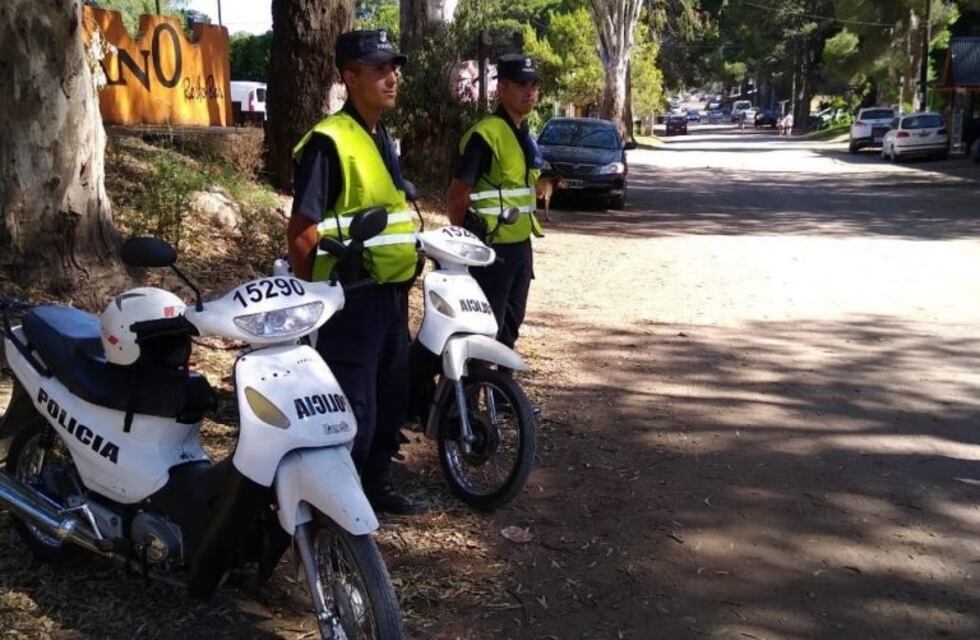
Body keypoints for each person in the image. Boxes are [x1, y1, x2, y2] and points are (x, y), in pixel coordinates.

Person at [286, 29, 423, 515]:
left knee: (391, 394)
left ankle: (377, 486)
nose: (393, 78)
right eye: (380, 70)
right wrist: (309, 303)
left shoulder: (380, 134)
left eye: (394, 68)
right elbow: (302, 230)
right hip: (349, 298)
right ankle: (338, 503)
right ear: (350, 77)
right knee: (355, 406)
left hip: (388, 295)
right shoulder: (329, 141)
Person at [445, 53, 544, 353]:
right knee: (485, 331)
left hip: (520, 247)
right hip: (492, 249)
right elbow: (457, 194)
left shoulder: (524, 134)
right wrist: (465, 241)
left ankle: (501, 398)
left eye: (534, 85)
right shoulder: (486, 135)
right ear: (501, 89)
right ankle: (471, 396)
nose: (529, 91)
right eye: (520, 84)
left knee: (509, 331)